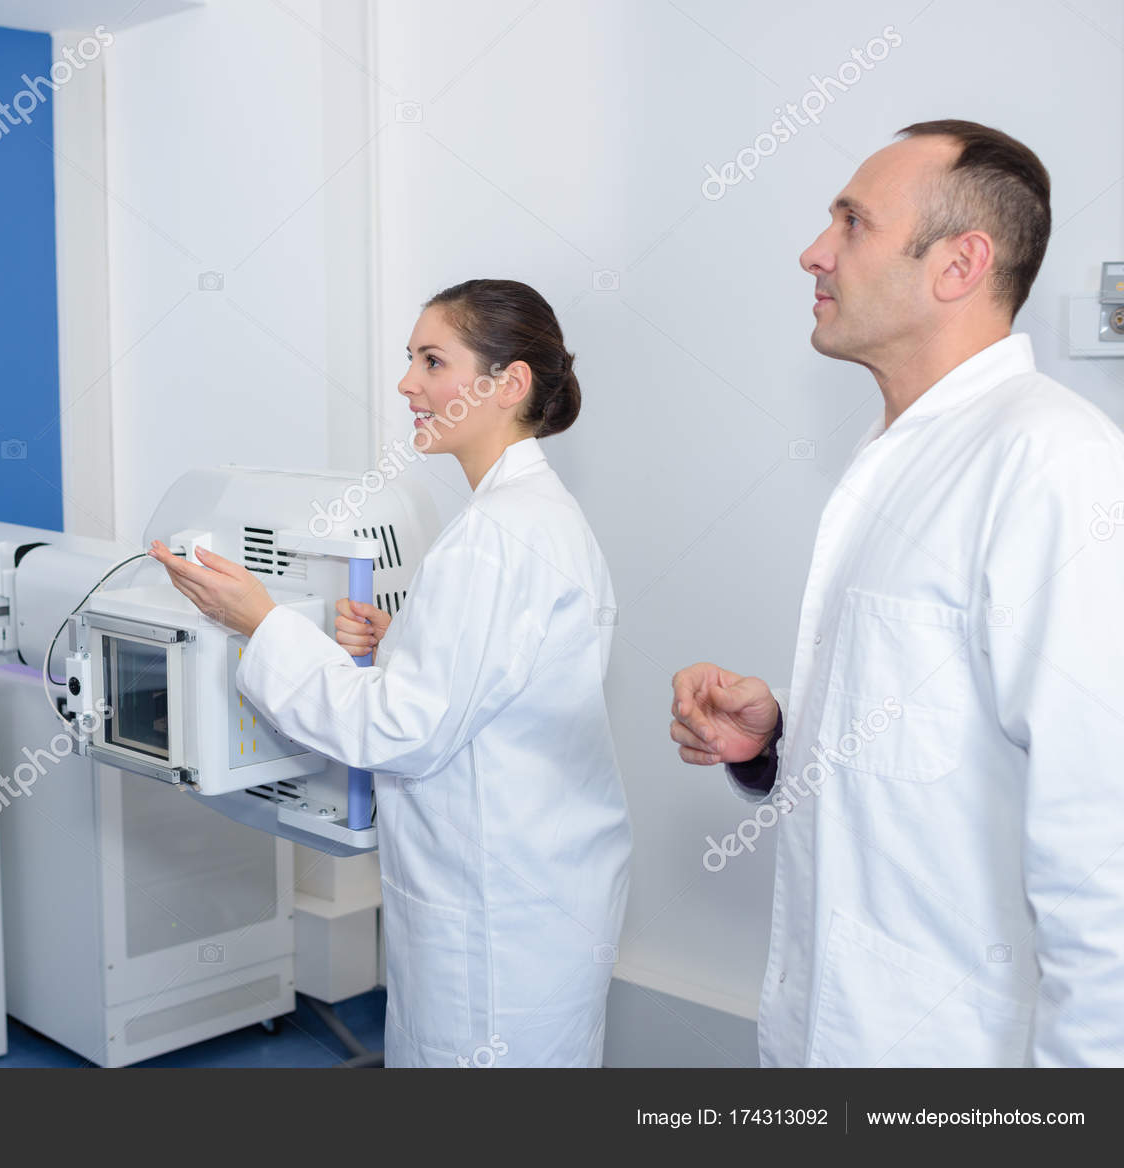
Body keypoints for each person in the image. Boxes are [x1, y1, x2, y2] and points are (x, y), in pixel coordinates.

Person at [670, 120, 1124, 1066]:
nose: (814, 251)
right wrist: (776, 745)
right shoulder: (901, 462)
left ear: (958, 265)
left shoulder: (1053, 465)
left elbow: (1103, 848)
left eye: (851, 222)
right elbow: (943, 761)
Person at [150, 278, 631, 1067]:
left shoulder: (498, 537)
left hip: (493, 915)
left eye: (432, 361)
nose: (407, 383)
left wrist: (259, 622)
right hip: (537, 887)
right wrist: (403, 639)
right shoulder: (533, 515)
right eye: (410, 360)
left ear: (507, 383)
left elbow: (400, 729)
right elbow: (505, 674)